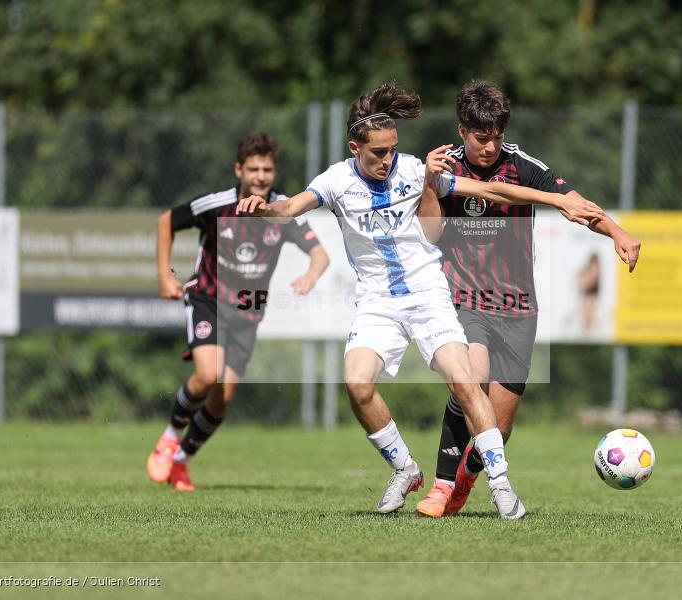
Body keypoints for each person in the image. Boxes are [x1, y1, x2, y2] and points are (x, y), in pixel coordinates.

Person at [236, 81, 605, 519]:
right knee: (356, 382)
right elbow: (289, 207)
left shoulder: (414, 170)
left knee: (466, 382)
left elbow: (492, 192)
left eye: (392, 149)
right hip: (376, 302)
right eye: (377, 152)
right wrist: (260, 208)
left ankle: (503, 489)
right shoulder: (335, 181)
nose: (387, 159)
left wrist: (555, 200)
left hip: (429, 293)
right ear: (355, 147)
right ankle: (405, 469)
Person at [414, 81, 641, 518]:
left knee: (498, 426)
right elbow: (429, 235)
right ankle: (441, 486)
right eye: (482, 137)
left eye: (498, 135)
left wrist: (617, 230)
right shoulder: (442, 167)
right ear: (463, 130)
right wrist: (428, 184)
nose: (491, 145)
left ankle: (465, 481)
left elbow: (573, 203)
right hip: (464, 299)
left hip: (518, 307)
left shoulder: (522, 165)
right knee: (470, 381)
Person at [146, 132, 330, 491]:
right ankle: (169, 437)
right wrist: (164, 277)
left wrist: (310, 275)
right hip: (208, 299)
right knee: (208, 374)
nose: (261, 176)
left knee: (222, 397)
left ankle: (180, 462)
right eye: (253, 169)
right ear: (239, 169)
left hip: (247, 312)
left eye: (268, 169)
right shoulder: (217, 204)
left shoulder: (281, 210)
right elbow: (166, 221)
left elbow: (320, 254)